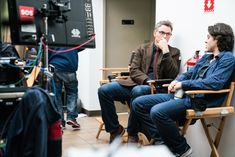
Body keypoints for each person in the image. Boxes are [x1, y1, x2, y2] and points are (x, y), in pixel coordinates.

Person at [131, 23, 235, 156]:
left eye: (208, 37)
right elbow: (189, 73)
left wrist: (184, 85)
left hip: (200, 100)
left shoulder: (228, 59)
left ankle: (181, 148)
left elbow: (214, 83)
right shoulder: (206, 57)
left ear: (218, 39)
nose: (205, 40)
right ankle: (162, 142)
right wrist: (177, 80)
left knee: (157, 112)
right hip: (185, 95)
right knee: (138, 103)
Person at [98, 20, 181, 143]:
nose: (164, 36)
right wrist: (146, 80)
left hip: (156, 88)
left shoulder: (174, 52)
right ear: (155, 33)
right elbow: (134, 70)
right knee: (104, 90)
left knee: (139, 91)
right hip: (135, 82)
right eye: (162, 32)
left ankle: (132, 132)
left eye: (168, 34)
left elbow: (172, 74)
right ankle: (115, 129)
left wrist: (165, 52)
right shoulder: (142, 48)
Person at [49, 47, 83, 129]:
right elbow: (82, 45)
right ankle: (71, 118)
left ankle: (60, 121)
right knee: (72, 93)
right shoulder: (71, 36)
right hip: (69, 66)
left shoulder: (51, 34)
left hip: (54, 66)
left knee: (56, 94)